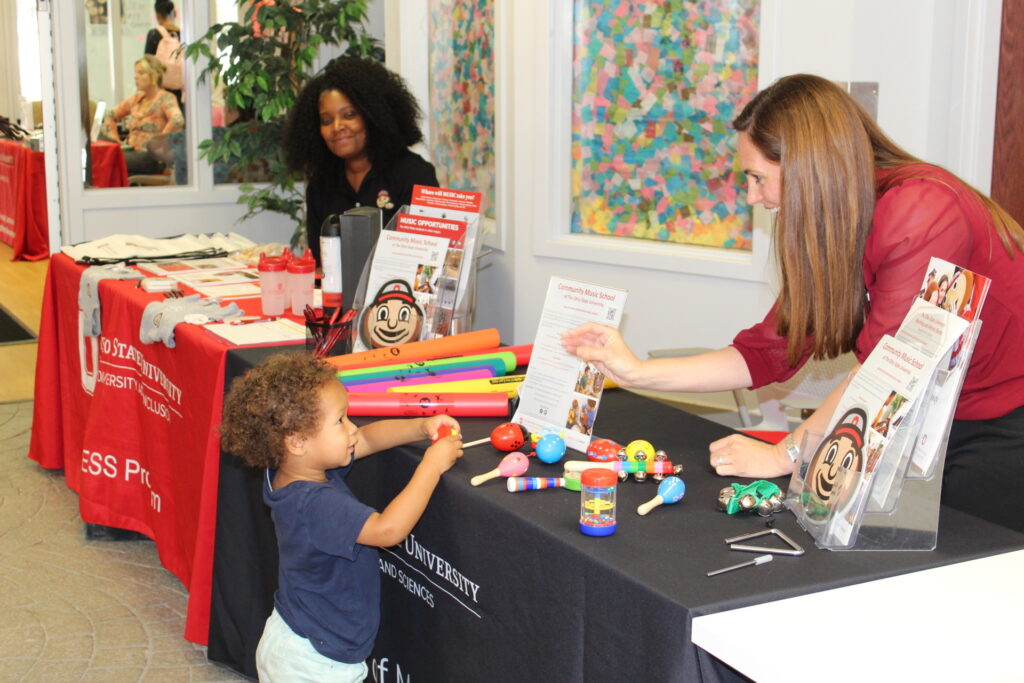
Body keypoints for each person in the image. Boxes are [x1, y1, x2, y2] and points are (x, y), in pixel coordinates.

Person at [562, 73, 1024, 533]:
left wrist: (785, 454)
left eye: (758, 178)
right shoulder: (835, 221)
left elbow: (885, 372)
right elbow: (767, 351)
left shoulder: (921, 209)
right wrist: (636, 371)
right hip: (937, 416)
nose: (753, 197)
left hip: (1005, 416)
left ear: (809, 166)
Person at [219, 353, 463, 681]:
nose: (352, 430)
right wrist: (431, 466)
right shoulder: (314, 503)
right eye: (340, 421)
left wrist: (421, 426)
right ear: (297, 442)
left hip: (296, 635)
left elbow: (368, 438)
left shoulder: (293, 469)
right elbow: (387, 530)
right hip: (314, 662)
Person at [283, 57, 439, 266]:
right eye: (326, 120)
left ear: (373, 116)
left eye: (349, 115)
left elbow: (427, 260)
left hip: (396, 296)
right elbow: (320, 262)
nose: (337, 126)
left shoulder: (414, 174)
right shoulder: (321, 185)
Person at [100, 55, 184, 176]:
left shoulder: (166, 98)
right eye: (136, 73)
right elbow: (110, 115)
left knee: (112, 162)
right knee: (103, 147)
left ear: (153, 76)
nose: (135, 77)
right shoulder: (137, 99)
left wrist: (157, 144)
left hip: (150, 156)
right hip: (130, 151)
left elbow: (177, 120)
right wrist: (116, 141)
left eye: (141, 73)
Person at [144, 1, 183, 109]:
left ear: (157, 15)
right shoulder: (184, 34)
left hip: (160, 91)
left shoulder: (154, 34)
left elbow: (147, 64)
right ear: (174, 13)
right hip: (182, 91)